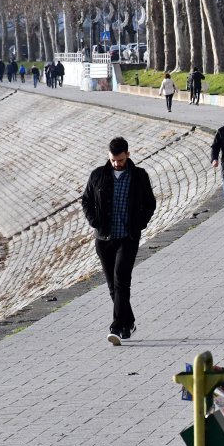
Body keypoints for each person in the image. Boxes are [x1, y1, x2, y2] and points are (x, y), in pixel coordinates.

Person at [81, 137, 157, 346]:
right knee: (112, 286)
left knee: (121, 279)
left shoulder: (139, 176)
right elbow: (86, 200)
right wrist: (94, 221)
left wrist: (140, 224)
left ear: (128, 155)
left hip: (128, 238)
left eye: (121, 160)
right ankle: (128, 322)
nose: (117, 164)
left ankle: (116, 326)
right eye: (114, 160)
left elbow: (150, 204)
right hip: (104, 239)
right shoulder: (98, 175)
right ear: (109, 156)